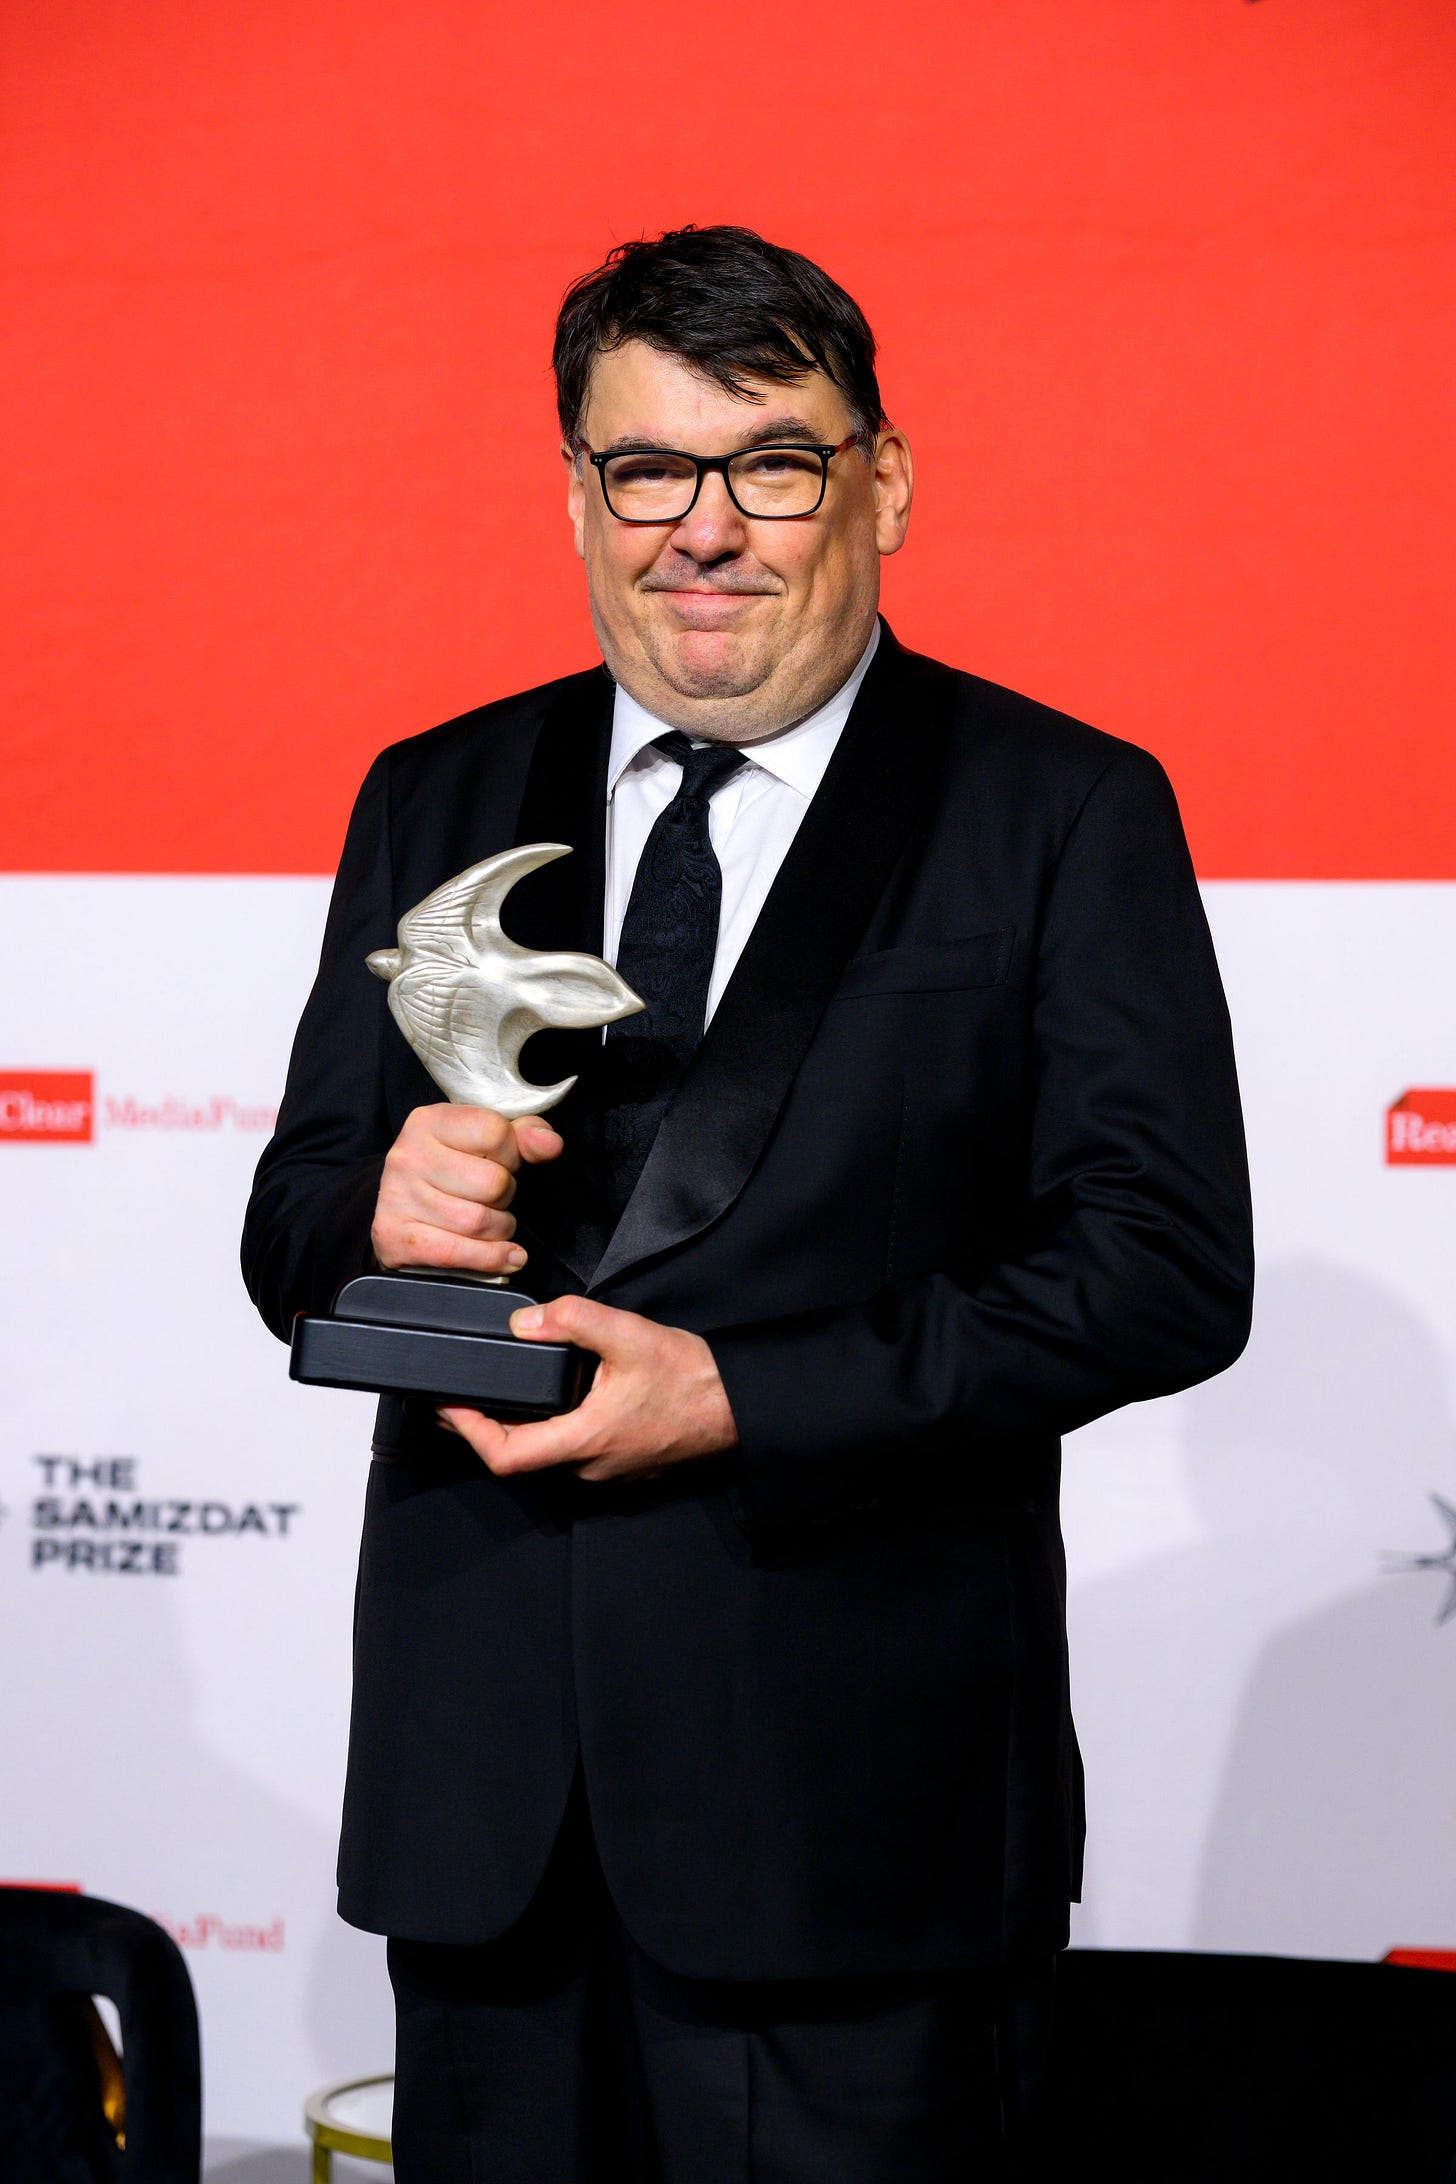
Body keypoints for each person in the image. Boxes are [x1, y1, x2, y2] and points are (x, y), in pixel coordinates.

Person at [243, 225, 1254, 2180]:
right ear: (575, 494)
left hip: (850, 1829)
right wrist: (378, 1211)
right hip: (486, 1813)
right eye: (646, 470)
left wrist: (741, 1396)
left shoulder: (1056, 807)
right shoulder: (436, 792)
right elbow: (291, 1227)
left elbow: (1158, 1266)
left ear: (883, 481)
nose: (702, 528)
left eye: (772, 463)